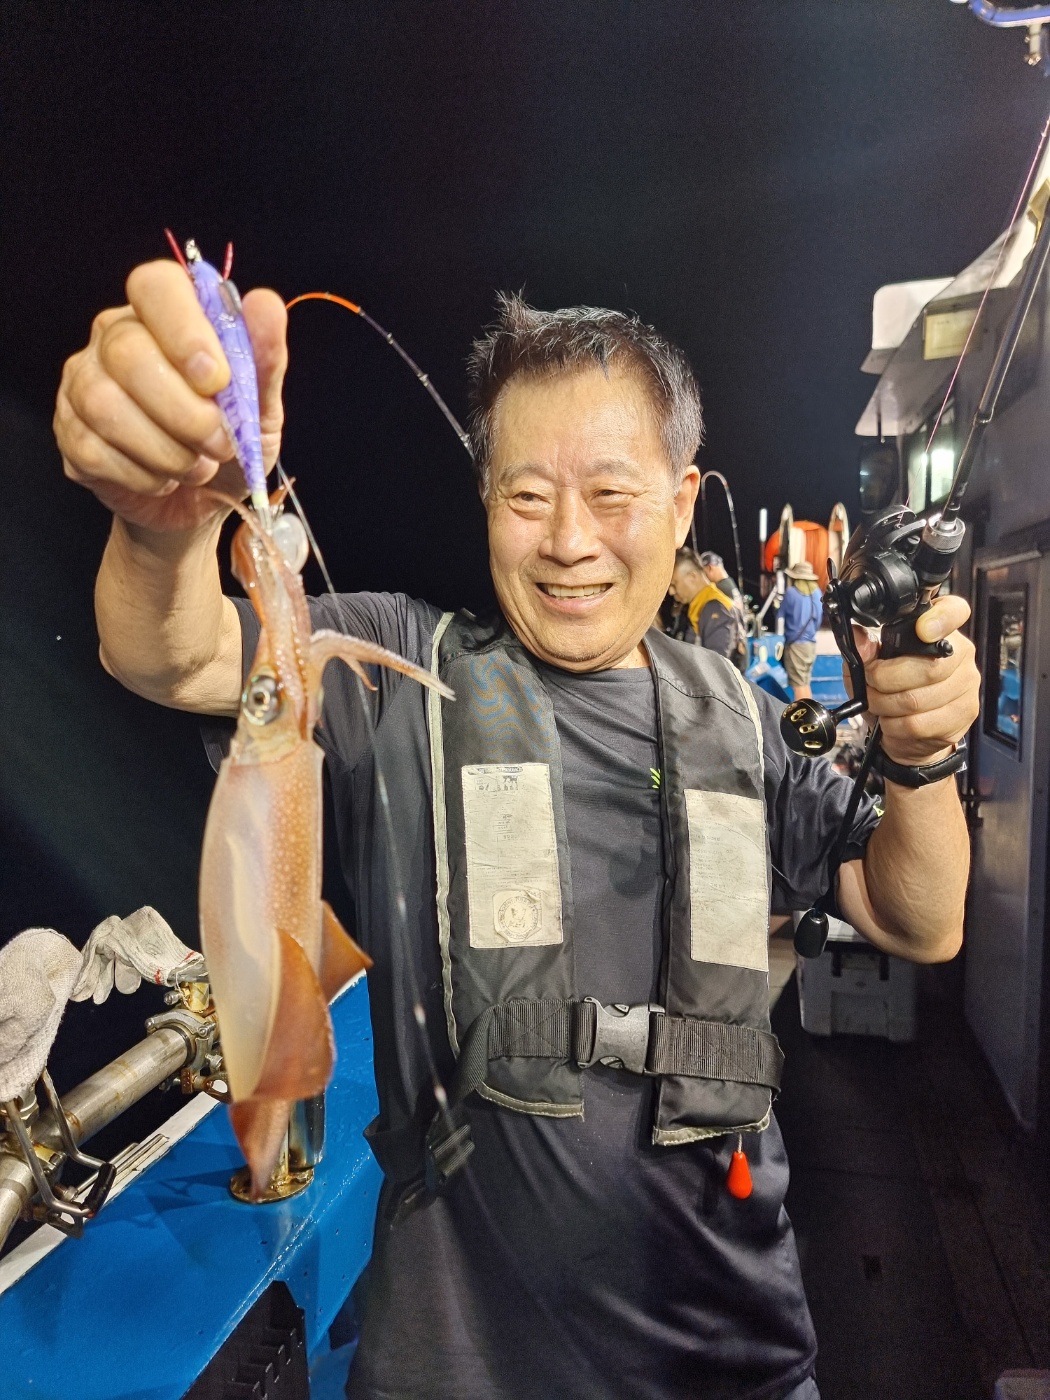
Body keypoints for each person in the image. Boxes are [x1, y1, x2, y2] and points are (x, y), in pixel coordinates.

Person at [55, 268, 979, 1400]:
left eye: (611, 493)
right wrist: (163, 527)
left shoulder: (739, 719)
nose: (569, 541)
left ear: (681, 503)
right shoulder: (401, 671)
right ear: (485, 497)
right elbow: (173, 654)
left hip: (737, 1352)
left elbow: (920, 919)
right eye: (527, 495)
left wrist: (922, 754)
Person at [668, 546, 748, 669]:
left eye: (674, 584)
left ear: (692, 577)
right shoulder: (698, 605)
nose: (671, 591)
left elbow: (716, 668)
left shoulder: (715, 608)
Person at [780, 561, 824, 699]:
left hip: (796, 646)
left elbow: (779, 615)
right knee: (805, 683)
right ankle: (810, 710)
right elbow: (819, 620)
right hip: (810, 645)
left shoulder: (791, 593)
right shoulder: (817, 593)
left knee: (798, 685)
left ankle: (804, 712)